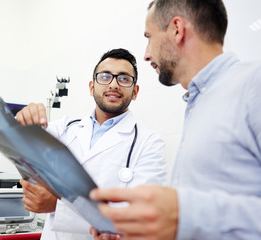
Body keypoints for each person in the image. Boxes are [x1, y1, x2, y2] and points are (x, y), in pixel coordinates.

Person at [90, 0, 261, 239]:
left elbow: (191, 216)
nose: (147, 54)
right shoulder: (198, 103)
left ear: (177, 30)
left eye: (149, 37)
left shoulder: (254, 86)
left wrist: (185, 215)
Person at [16, 48, 167, 239]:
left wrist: (58, 206)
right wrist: (25, 122)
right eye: (105, 77)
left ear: (135, 91)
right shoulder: (64, 128)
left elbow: (142, 216)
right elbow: (24, 153)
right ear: (91, 86)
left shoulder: (149, 143)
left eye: (124, 79)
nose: (113, 84)